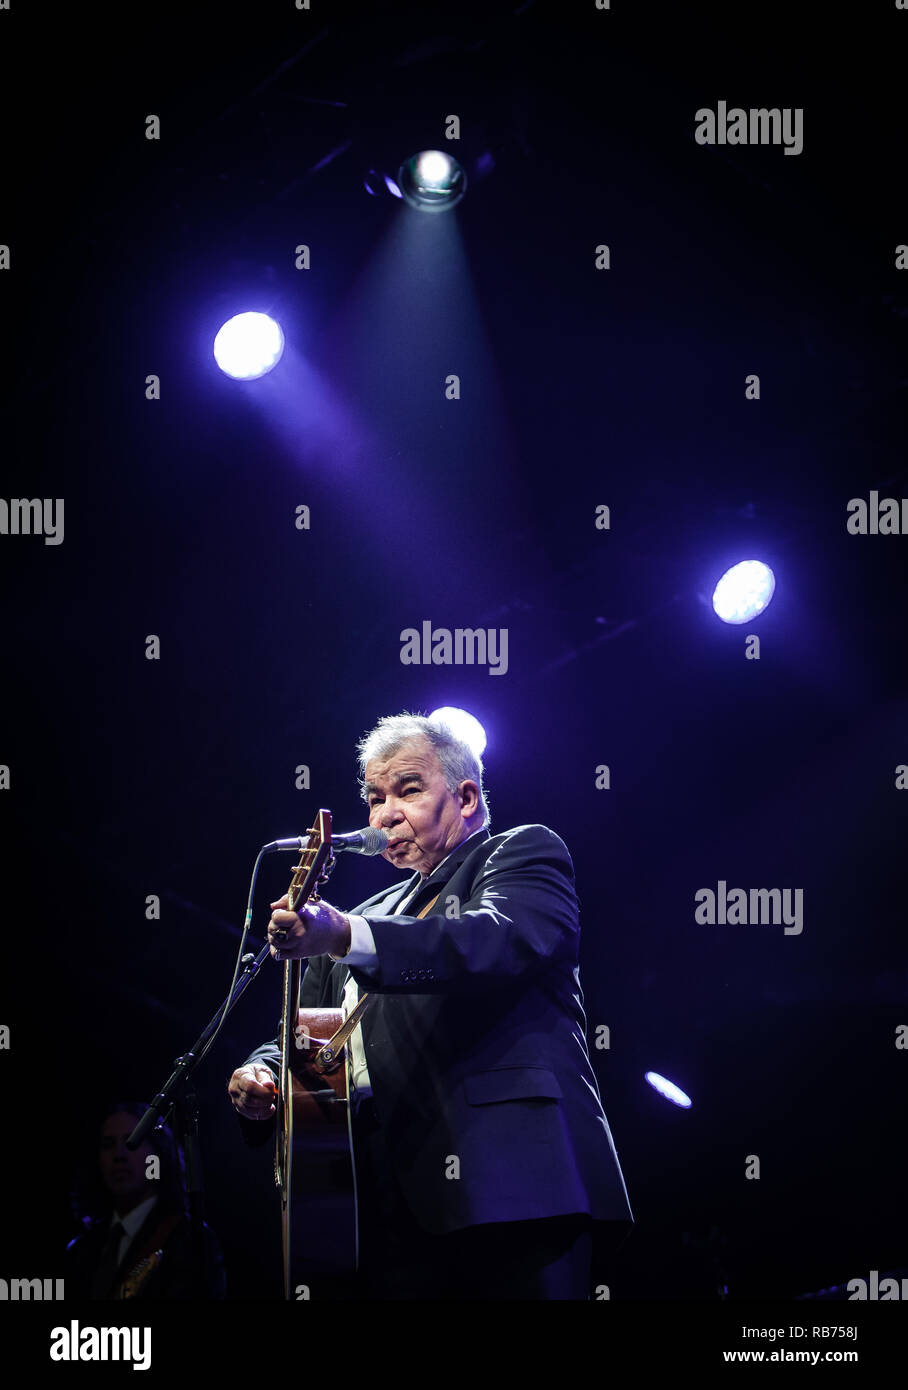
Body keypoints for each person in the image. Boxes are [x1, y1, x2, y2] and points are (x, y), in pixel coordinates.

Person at [229, 713, 632, 1299]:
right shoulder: (366, 910)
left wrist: (346, 934)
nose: (384, 813)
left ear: (466, 796)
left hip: (508, 1185)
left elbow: (492, 941)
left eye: (408, 789)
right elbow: (307, 1028)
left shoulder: (520, 854)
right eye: (373, 798)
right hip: (377, 1202)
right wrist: (263, 1069)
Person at [65, 1101, 226, 1299]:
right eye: (108, 1145)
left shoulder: (188, 1239)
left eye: (132, 1141)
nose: (119, 1155)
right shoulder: (81, 1249)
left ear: (158, 1154)